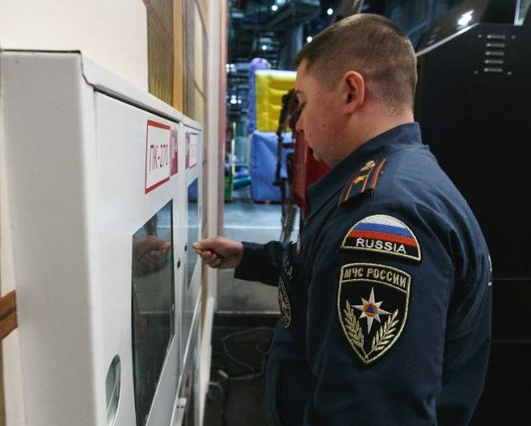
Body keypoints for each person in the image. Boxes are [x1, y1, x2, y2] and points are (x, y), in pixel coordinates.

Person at [194, 13, 491, 426]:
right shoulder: (388, 182)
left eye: (303, 103)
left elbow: (371, 413)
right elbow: (318, 267)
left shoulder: (383, 216)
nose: (299, 123)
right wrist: (247, 256)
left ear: (351, 93)